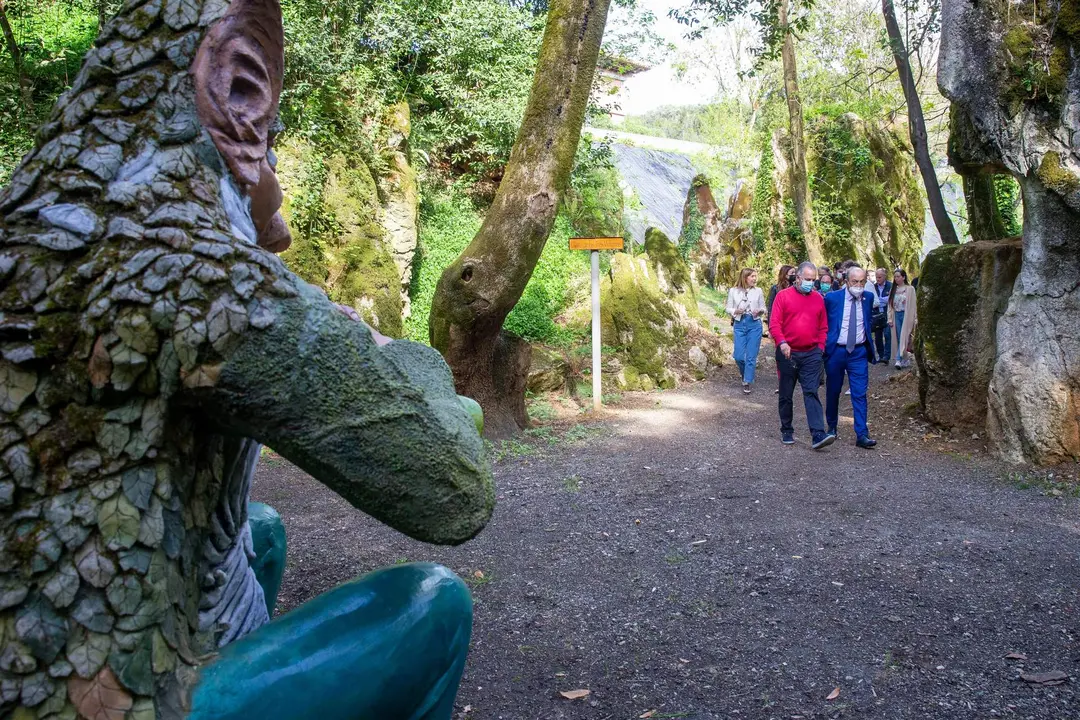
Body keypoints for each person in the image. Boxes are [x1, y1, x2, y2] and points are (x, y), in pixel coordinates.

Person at [769, 262, 833, 449]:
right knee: (786, 394)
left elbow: (823, 326)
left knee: (811, 392)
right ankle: (787, 429)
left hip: (812, 353)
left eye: (813, 280)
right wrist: (782, 342)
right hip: (788, 352)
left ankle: (818, 434)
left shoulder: (818, 299)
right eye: (807, 279)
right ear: (797, 278)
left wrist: (820, 346)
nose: (811, 283)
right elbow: (774, 323)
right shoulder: (783, 296)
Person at [823, 266, 877, 448]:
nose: (859, 285)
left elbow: (867, 322)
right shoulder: (832, 298)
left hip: (859, 352)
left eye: (862, 282)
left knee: (859, 392)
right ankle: (831, 427)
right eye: (855, 281)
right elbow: (823, 322)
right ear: (846, 281)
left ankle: (862, 434)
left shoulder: (868, 298)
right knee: (833, 390)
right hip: (836, 351)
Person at [726, 268, 767, 393]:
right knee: (738, 356)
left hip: (754, 324)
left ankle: (747, 381)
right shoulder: (733, 291)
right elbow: (728, 308)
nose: (755, 279)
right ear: (745, 278)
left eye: (755, 276)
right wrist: (734, 311)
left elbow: (763, 308)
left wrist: (759, 311)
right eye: (752, 276)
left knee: (751, 356)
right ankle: (745, 375)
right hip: (739, 323)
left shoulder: (758, 291)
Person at [888, 268, 918, 368]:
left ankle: (898, 359)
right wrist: (890, 319)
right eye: (895, 277)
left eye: (898, 276)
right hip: (896, 315)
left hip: (906, 315)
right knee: (898, 337)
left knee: (903, 336)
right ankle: (904, 358)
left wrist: (915, 317)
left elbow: (913, 304)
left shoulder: (910, 289)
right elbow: (890, 306)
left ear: (903, 277)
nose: (896, 279)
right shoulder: (893, 289)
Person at [871, 268, 892, 365]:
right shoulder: (873, 287)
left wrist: (880, 300)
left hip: (887, 313)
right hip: (876, 315)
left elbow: (891, 299)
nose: (878, 279)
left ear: (884, 276)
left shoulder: (890, 286)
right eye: (876, 277)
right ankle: (881, 355)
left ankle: (887, 356)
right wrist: (882, 300)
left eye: (879, 277)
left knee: (887, 334)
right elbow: (873, 300)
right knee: (878, 337)